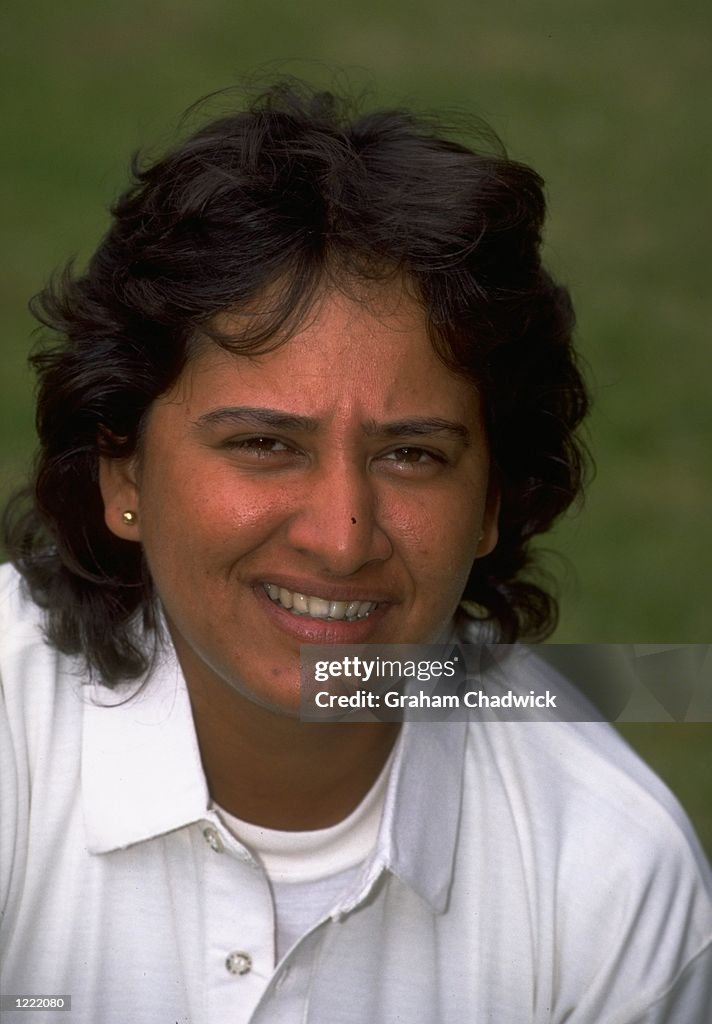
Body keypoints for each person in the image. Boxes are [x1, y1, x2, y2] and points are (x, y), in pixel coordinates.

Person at [1, 81, 710, 1023]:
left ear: (493, 500)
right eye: (264, 443)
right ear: (121, 473)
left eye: (413, 455)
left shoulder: (614, 879)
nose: (340, 539)